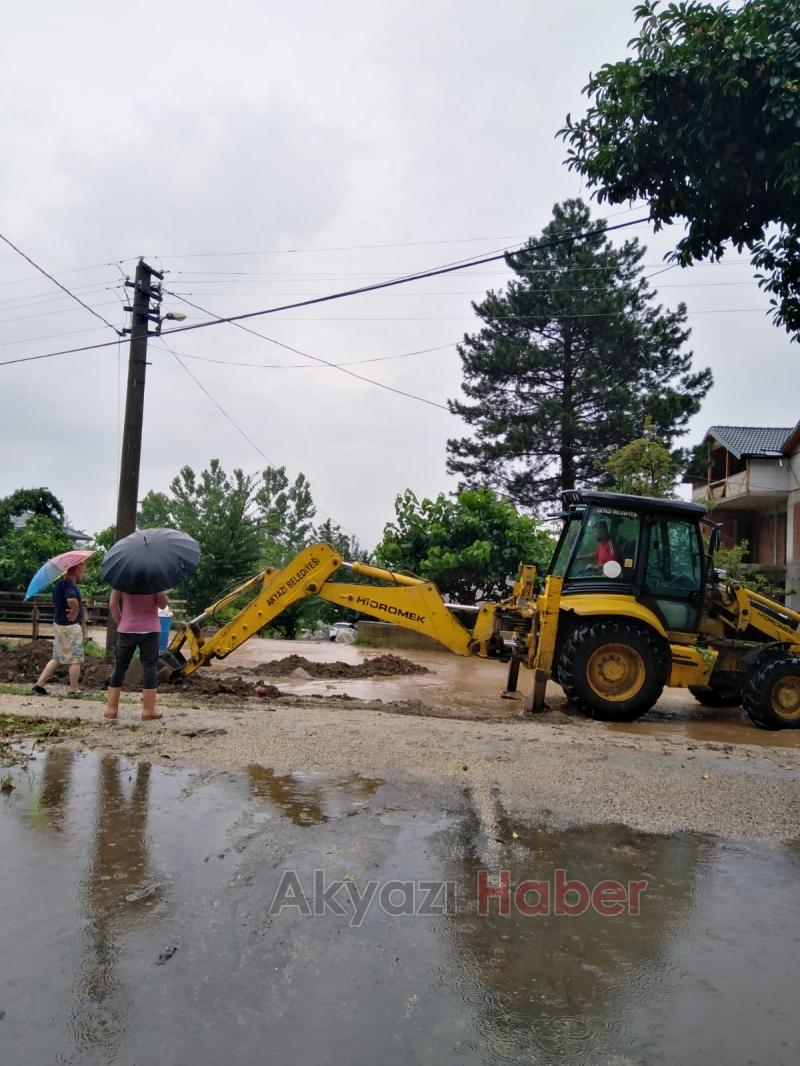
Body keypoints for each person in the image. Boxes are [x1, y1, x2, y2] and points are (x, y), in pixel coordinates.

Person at [104, 589, 169, 721]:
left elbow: (112, 604)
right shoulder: (153, 579)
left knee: (120, 667)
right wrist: (160, 590)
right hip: (150, 630)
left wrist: (121, 621)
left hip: (127, 629)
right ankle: (148, 710)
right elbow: (163, 605)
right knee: (150, 667)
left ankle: (111, 709)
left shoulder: (122, 578)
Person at [33, 562, 87, 696]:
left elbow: (67, 600)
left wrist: (79, 603)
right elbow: (70, 599)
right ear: (77, 570)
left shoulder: (60, 584)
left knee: (57, 657)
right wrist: (76, 608)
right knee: (75, 658)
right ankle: (74, 689)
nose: (84, 571)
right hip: (69, 627)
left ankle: (40, 683)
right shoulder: (69, 584)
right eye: (83, 568)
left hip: (59, 625)